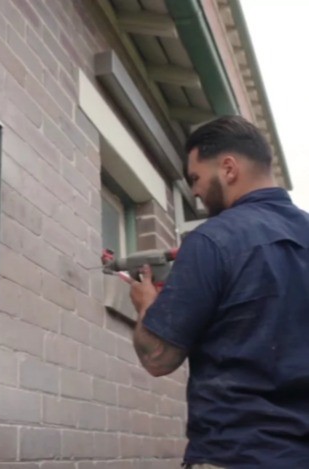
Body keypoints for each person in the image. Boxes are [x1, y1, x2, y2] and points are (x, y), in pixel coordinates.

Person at [128, 115, 309, 468]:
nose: (195, 193)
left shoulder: (213, 240)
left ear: (228, 168)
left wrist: (147, 306)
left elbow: (158, 357)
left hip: (239, 454)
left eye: (196, 178)